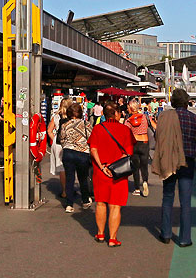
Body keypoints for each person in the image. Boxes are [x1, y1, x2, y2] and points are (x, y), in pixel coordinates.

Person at [154, 88, 196, 247]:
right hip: (187, 163)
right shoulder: (195, 119)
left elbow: (159, 138)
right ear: (186, 102)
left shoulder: (163, 117)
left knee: (168, 197)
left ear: (173, 102)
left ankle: (165, 234)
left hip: (169, 161)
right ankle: (185, 239)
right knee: (185, 201)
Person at [89, 102, 135, 247]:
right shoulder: (125, 130)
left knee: (101, 203)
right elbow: (128, 153)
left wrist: (103, 167)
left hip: (100, 172)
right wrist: (113, 167)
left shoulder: (97, 129)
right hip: (118, 173)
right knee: (115, 206)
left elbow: (93, 149)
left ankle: (101, 233)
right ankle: (113, 238)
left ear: (103, 114)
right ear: (117, 114)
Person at [60, 102, 94, 213]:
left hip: (68, 153)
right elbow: (91, 138)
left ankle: (69, 204)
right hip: (82, 153)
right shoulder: (86, 124)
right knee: (83, 178)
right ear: (80, 113)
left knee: (70, 179)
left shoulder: (65, 125)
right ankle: (85, 201)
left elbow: (62, 139)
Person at [125, 98, 156, 196]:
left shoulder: (128, 120)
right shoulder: (145, 117)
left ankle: (137, 188)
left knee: (135, 167)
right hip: (144, 142)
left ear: (130, 108)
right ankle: (145, 181)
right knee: (144, 165)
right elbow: (155, 127)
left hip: (134, 144)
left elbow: (125, 133)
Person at [47, 97, 73, 198]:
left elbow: (49, 130)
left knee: (62, 168)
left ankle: (64, 191)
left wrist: (55, 139)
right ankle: (70, 189)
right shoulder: (72, 117)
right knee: (70, 167)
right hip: (69, 144)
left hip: (57, 144)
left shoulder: (56, 116)